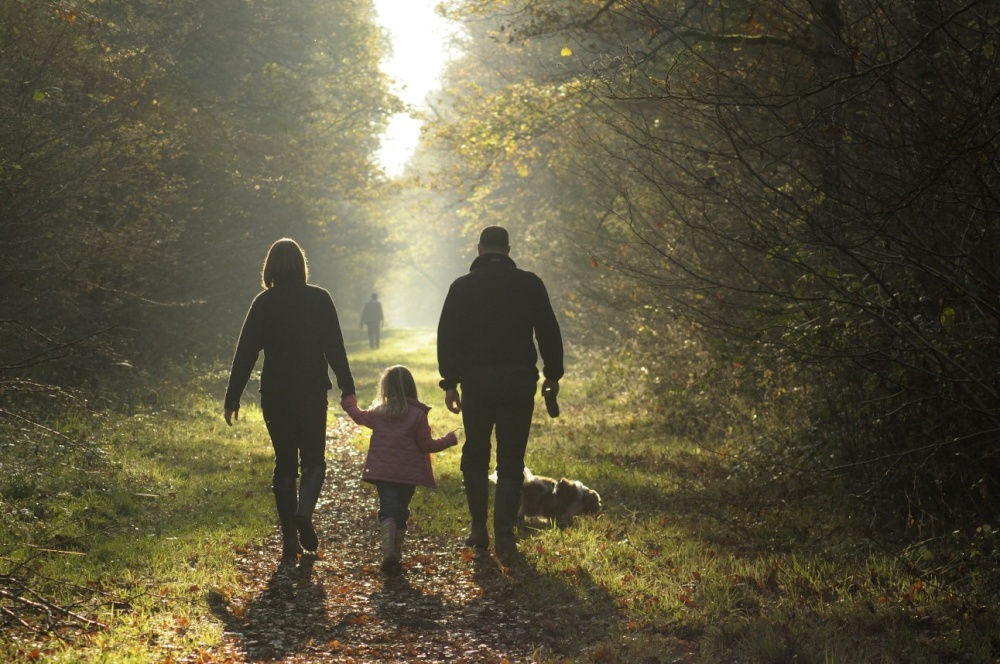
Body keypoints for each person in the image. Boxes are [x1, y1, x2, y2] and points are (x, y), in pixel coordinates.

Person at [436, 226, 563, 559]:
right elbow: (548, 330)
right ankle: (504, 535)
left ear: (479, 249)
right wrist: (553, 374)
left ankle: (479, 529)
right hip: (518, 379)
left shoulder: (462, 287)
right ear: (508, 249)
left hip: (476, 380)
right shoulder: (529, 283)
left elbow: (447, 335)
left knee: (475, 449)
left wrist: (450, 381)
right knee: (511, 456)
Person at [224, 238, 355, 561]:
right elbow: (334, 347)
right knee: (314, 460)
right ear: (302, 266)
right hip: (311, 391)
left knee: (284, 464)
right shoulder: (319, 299)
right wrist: (347, 387)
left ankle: (289, 541)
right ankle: (304, 512)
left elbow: (245, 354)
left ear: (269, 268)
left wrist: (232, 397)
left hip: (276, 393)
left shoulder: (263, 303)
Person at [340, 365, 458, 572]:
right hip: (408, 475)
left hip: (384, 474)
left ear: (385, 389)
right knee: (401, 511)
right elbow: (426, 445)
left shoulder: (379, 413)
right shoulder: (418, 414)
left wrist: (348, 400)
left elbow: (358, 415)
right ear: (411, 387)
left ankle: (389, 554)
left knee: (388, 510)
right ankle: (396, 554)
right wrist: (449, 440)